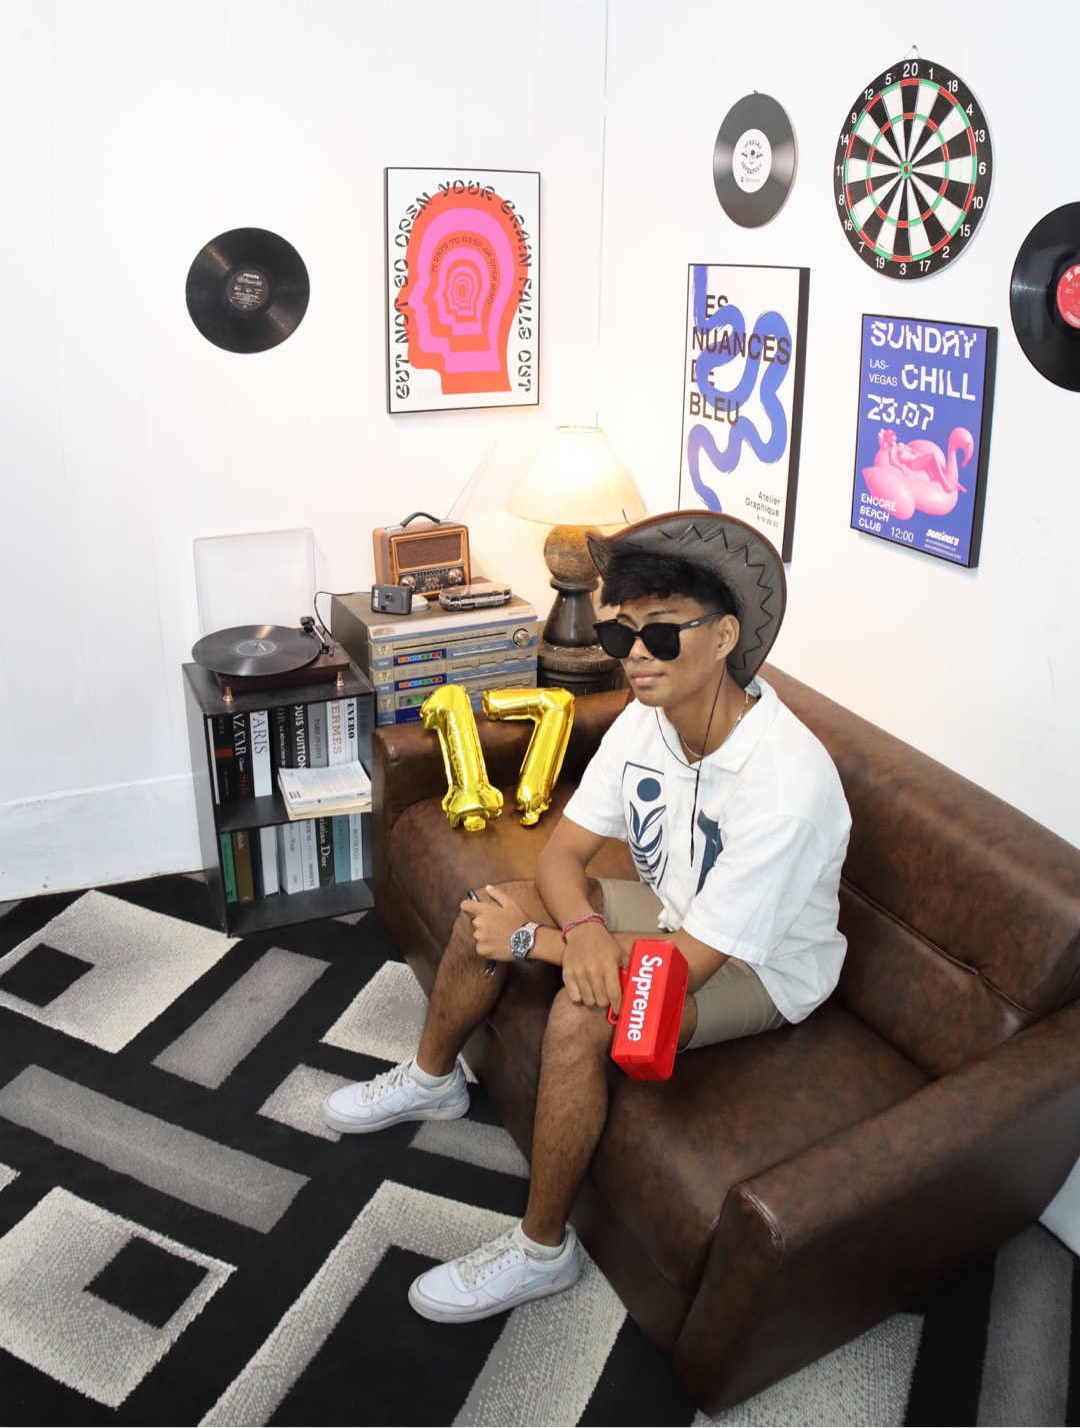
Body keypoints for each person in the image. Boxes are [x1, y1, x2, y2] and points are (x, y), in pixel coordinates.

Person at [322, 510, 852, 1323]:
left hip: (759, 965)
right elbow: (560, 857)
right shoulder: (647, 720)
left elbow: (686, 963)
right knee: (492, 900)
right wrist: (582, 930)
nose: (636, 654)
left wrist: (536, 942)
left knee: (583, 1011)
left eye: (662, 633)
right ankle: (432, 1082)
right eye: (621, 634)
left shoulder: (785, 787)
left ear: (724, 637)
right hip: (679, 911)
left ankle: (543, 1250)